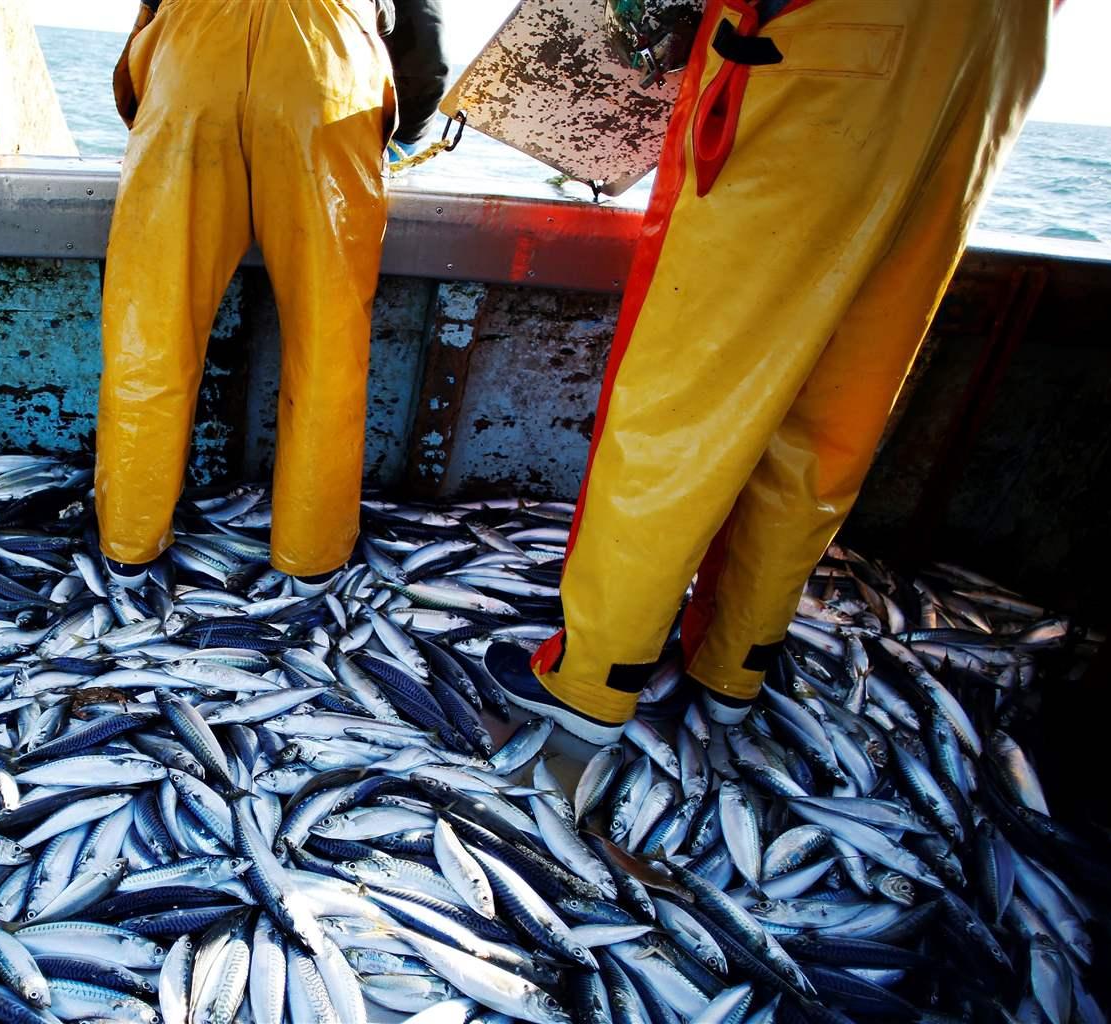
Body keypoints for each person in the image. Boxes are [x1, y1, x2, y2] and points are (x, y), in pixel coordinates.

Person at [486, 0, 1050, 744]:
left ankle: (595, 679)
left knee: (684, 400)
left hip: (828, 59)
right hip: (987, 74)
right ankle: (733, 665)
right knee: (831, 409)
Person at [94, 0, 446, 594]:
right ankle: (311, 560)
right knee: (327, 341)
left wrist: (161, 104)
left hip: (191, 66)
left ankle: (127, 549)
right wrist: (403, 132)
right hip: (327, 81)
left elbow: (147, 26)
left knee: (150, 331)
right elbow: (423, 38)